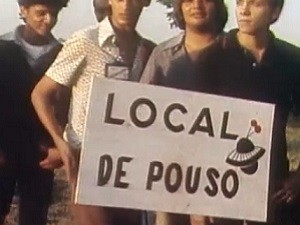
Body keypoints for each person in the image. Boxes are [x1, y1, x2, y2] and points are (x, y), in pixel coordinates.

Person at [31, 0, 156, 225]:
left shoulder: (147, 50)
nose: (126, 5)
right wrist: (61, 143)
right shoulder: (85, 41)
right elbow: (41, 94)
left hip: (129, 165)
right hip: (87, 162)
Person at [198, 0, 300, 224]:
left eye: (256, 4)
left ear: (275, 11)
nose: (244, 10)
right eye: (240, 2)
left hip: (276, 191)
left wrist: (299, 176)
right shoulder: (211, 59)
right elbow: (196, 135)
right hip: (221, 190)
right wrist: (198, 201)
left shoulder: (292, 61)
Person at [140, 0, 228, 225]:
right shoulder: (163, 54)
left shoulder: (235, 51)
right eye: (188, 0)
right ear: (179, 7)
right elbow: (139, 105)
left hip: (219, 176)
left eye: (205, 0)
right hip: (168, 170)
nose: (196, 5)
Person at [0, 0, 69, 225]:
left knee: (34, 218)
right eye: (41, 13)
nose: (48, 20)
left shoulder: (64, 54)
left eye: (54, 14)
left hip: (42, 154)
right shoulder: (3, 49)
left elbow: (70, 106)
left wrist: (60, 146)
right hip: (3, 150)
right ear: (23, 10)